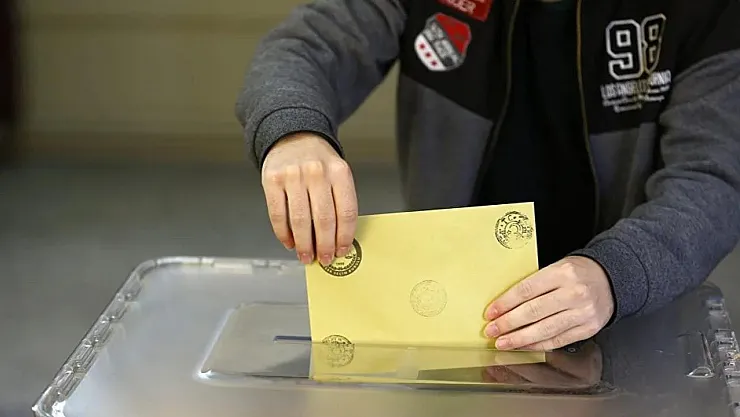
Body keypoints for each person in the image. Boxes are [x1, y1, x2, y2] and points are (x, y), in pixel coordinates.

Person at [235, 0, 740, 351]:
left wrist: (616, 274)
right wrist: (294, 131)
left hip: (624, 310)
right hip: (451, 309)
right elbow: (305, 47)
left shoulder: (706, 11)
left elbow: (712, 180)